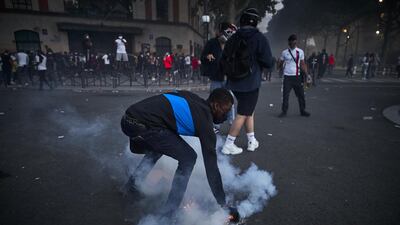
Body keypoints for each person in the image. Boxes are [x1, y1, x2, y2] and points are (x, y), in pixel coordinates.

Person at [121, 88, 237, 220]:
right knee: (189, 157)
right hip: (140, 125)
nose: (226, 117)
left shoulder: (193, 99)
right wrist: (223, 204)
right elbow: (212, 170)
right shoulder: (204, 122)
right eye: (226, 111)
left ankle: (132, 185)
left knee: (159, 147)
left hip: (128, 119)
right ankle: (169, 213)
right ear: (216, 105)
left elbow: (167, 102)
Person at [220, 8, 272, 155]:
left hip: (234, 82)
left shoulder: (233, 38)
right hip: (251, 82)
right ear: (255, 22)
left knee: (249, 110)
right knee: (243, 112)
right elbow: (268, 62)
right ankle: (229, 144)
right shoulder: (260, 38)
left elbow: (224, 59)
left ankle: (251, 141)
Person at [277, 34, 311, 118]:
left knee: (301, 95)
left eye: (294, 42)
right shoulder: (284, 52)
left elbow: (303, 64)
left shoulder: (300, 52)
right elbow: (280, 63)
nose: (293, 44)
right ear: (289, 42)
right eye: (291, 42)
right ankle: (284, 111)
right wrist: (278, 65)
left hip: (297, 77)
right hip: (287, 77)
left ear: (296, 42)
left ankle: (302, 111)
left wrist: (307, 74)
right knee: (285, 95)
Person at [201, 22, 237, 91]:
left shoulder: (231, 44)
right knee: (215, 99)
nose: (226, 35)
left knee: (230, 100)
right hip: (216, 79)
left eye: (229, 33)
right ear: (220, 32)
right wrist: (207, 56)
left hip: (228, 79)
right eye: (224, 33)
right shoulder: (211, 43)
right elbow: (203, 57)